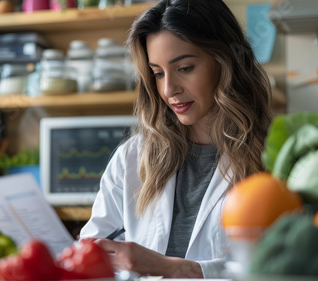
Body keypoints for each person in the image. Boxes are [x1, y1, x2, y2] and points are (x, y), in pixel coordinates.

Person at [80, 0, 272, 278]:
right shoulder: (132, 157)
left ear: (226, 62)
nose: (169, 89)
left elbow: (282, 267)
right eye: (158, 73)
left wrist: (179, 269)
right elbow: (91, 254)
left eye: (185, 68)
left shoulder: (273, 159)